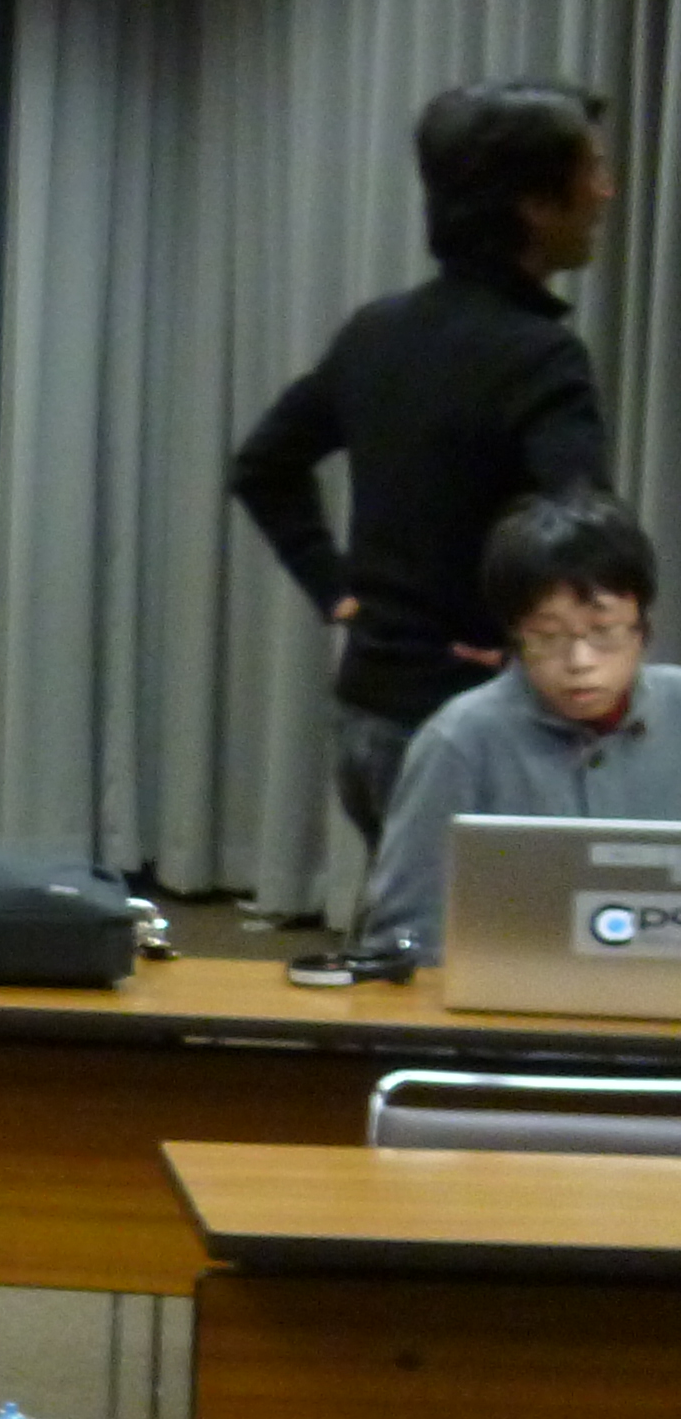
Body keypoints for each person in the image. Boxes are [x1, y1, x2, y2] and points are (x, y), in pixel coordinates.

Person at [231, 80, 616, 845]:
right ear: (535, 205)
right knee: (490, 928)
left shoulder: (377, 332)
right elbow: (583, 534)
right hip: (476, 729)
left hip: (369, 716)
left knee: (405, 917)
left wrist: (338, 593)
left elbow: (263, 465)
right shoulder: (540, 357)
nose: (606, 193)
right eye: (592, 172)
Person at [351, 490, 681, 967]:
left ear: (643, 630)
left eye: (603, 632)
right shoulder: (461, 741)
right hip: (508, 1008)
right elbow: (404, 937)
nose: (580, 661)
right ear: (515, 639)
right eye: (548, 636)